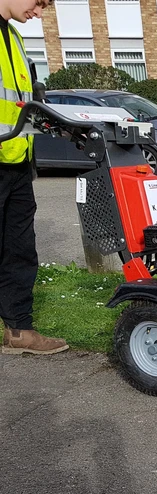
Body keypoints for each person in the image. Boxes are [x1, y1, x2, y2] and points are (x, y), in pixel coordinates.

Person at [0, 0, 68, 354]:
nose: (40, 12)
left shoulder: (12, 36)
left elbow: (22, 104)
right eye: (38, 2)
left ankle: (18, 332)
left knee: (20, 251)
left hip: (16, 162)